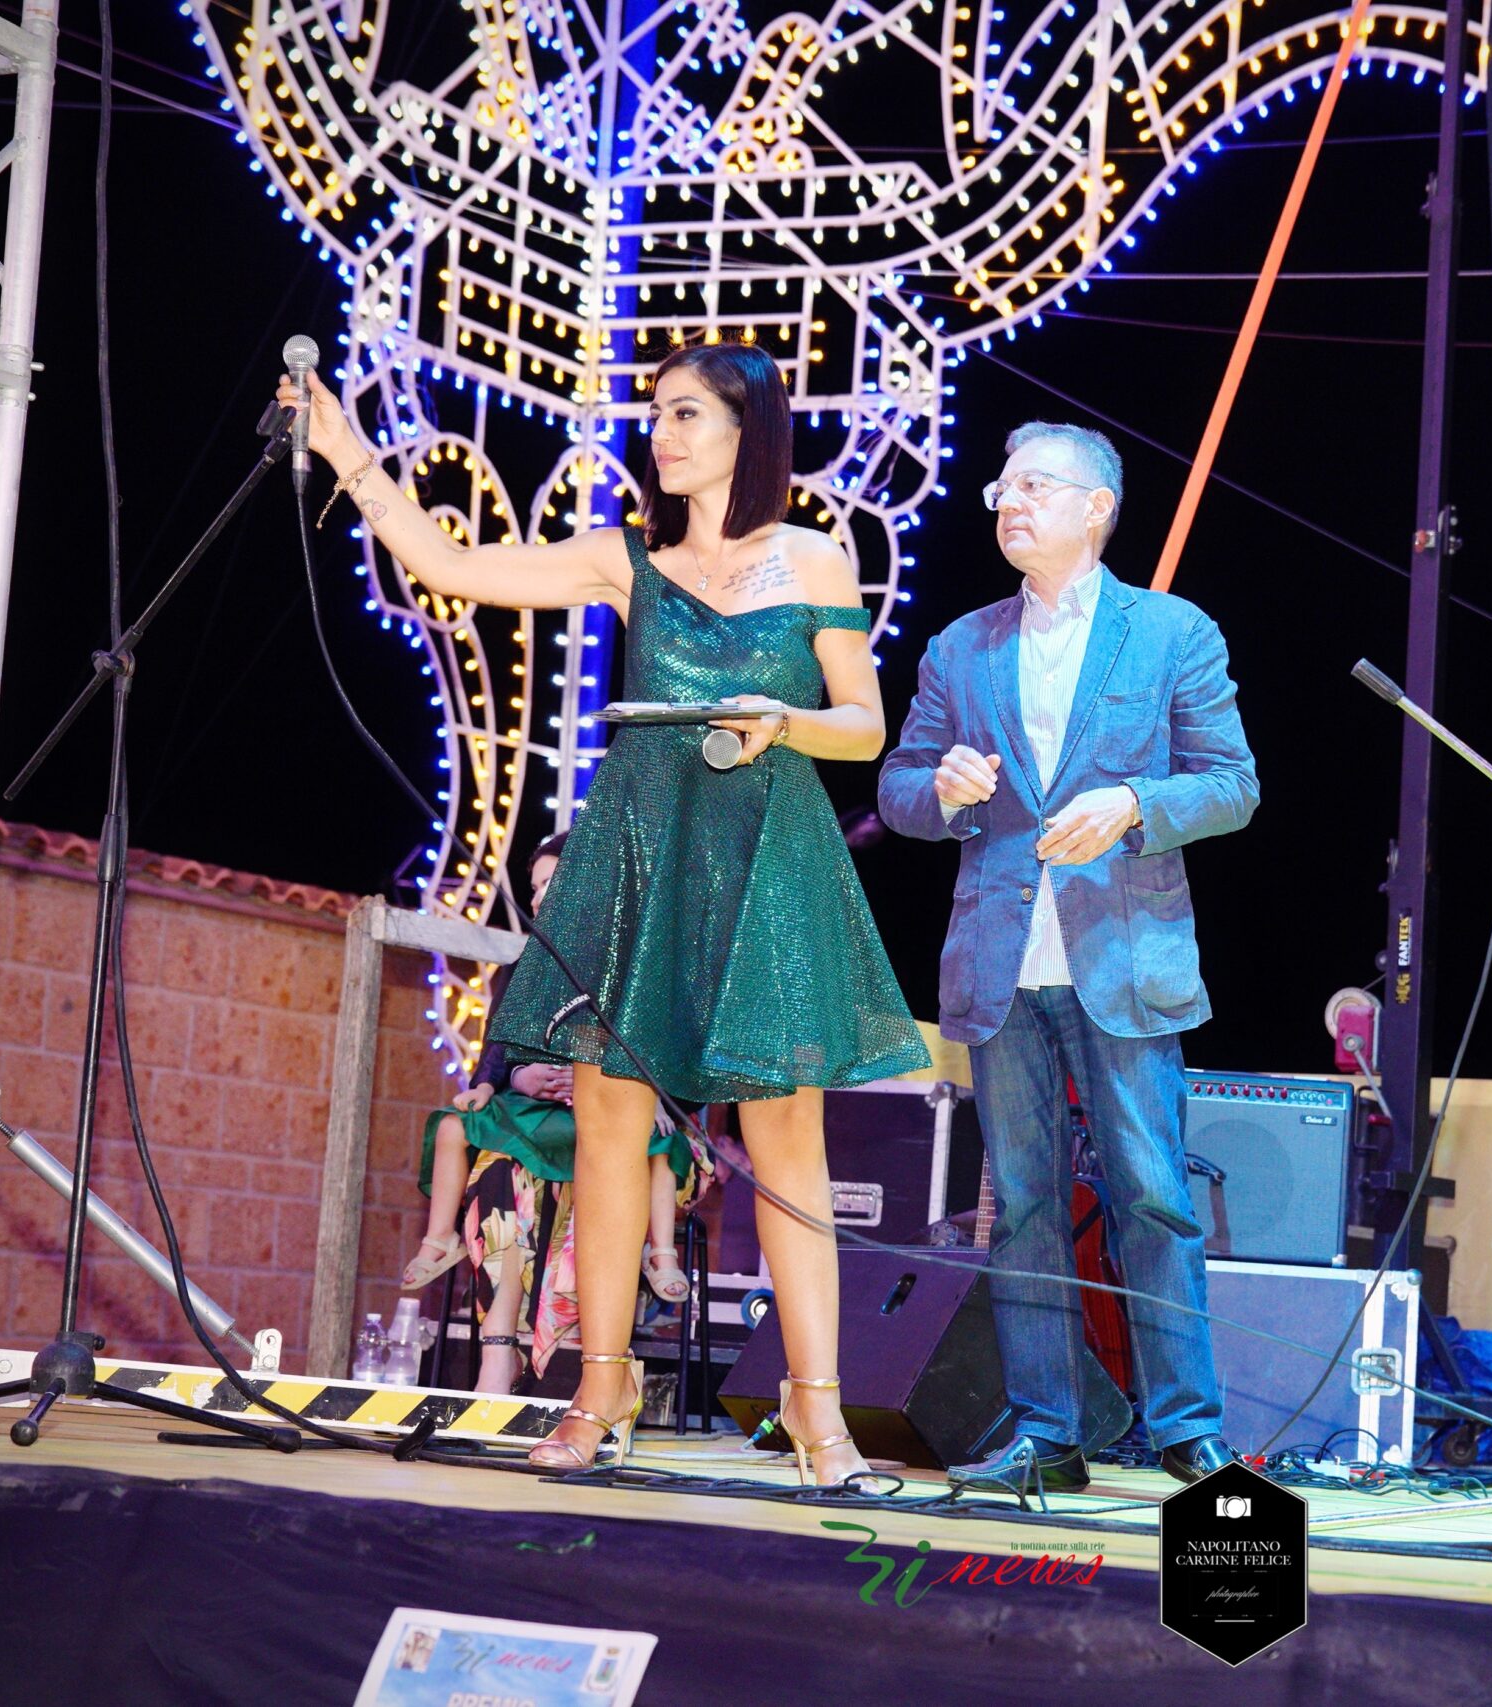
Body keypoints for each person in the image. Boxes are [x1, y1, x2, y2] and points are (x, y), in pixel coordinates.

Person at [279, 344, 928, 1485]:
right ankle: (601, 1387)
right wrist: (348, 454)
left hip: (766, 865)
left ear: (748, 430)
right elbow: (453, 563)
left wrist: (781, 720)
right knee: (609, 1123)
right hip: (637, 858)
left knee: (787, 1139)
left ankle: (817, 1410)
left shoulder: (812, 557)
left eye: (685, 414)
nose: (660, 434)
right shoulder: (627, 561)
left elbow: (865, 725)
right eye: (657, 413)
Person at [878, 421, 1259, 1495]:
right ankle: (1048, 1432)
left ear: (1097, 508)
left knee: (1154, 1196)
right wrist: (941, 791)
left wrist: (1134, 802)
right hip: (1001, 967)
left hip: (1123, 959)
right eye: (1002, 487)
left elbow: (1232, 784)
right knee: (1025, 1208)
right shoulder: (961, 646)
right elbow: (898, 789)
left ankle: (1187, 1429)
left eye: (1035, 486)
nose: (1009, 501)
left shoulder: (1171, 631)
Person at [404, 833, 697, 1318]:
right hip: (541, 1107)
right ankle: (442, 1243)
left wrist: (655, 1099)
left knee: (657, 1143)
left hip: (615, 1107)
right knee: (456, 1127)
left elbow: (665, 1046)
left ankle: (658, 1254)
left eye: (550, 883)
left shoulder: (638, 965)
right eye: (534, 888)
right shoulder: (524, 970)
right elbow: (500, 1045)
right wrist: (503, 1080)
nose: (538, 897)